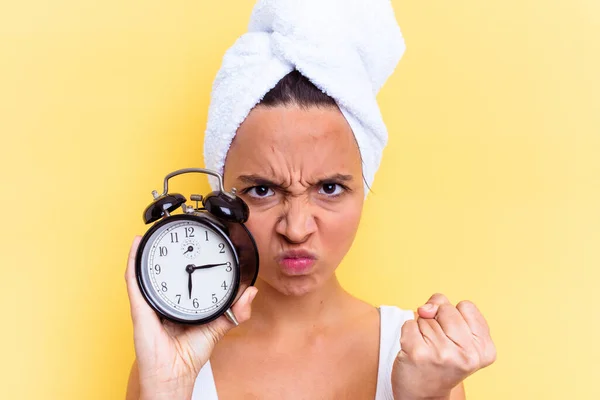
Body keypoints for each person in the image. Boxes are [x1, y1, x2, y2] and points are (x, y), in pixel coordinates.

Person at [125, 1, 496, 399]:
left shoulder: (423, 362)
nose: (297, 229)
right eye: (263, 190)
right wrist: (168, 389)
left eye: (330, 188)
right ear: (222, 199)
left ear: (364, 185)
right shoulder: (175, 363)